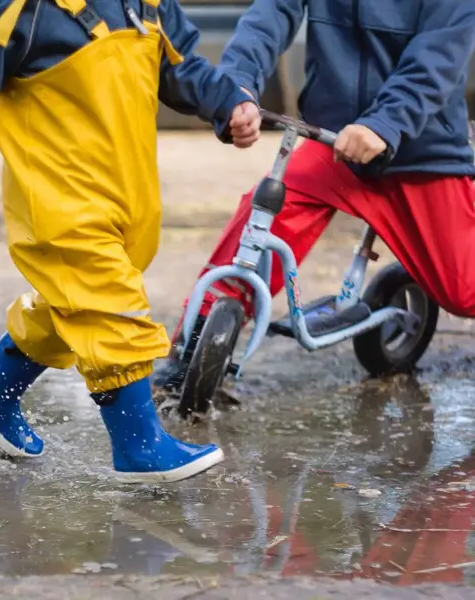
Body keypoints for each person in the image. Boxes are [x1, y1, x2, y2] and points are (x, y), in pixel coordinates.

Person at [0, 0, 261, 482]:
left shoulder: (149, 5)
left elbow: (182, 68)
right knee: (110, 305)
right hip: (58, 196)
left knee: (72, 303)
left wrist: (228, 103)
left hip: (125, 193)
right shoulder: (33, 8)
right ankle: (139, 446)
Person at [154, 0, 475, 392]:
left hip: (420, 152)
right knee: (261, 226)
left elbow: (437, 57)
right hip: (334, 142)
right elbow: (269, 17)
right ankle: (192, 345)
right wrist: (237, 88)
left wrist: (383, 124)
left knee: (463, 292)